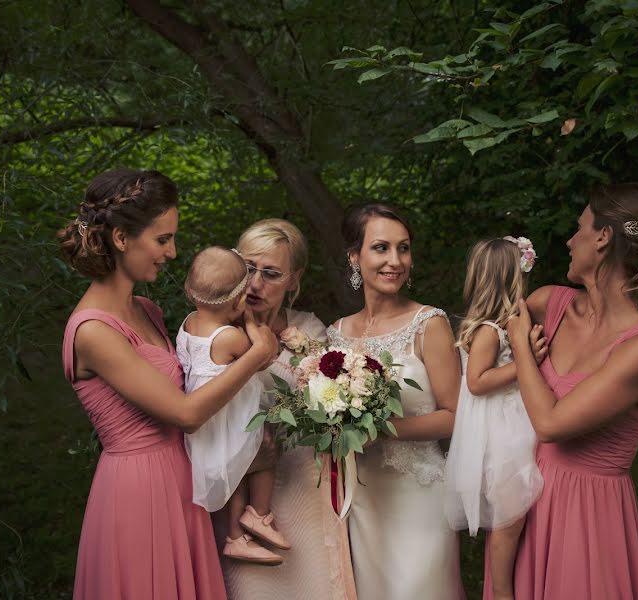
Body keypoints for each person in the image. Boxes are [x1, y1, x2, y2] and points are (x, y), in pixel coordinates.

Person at [58, 169, 276, 600]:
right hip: (138, 491)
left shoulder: (146, 309)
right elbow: (185, 412)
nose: (173, 253)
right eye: (162, 240)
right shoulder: (93, 331)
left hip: (181, 478)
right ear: (122, 239)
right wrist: (255, 357)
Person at [487, 183, 638, 600]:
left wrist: (522, 347)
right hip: (524, 505)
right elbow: (479, 349)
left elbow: (551, 423)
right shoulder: (548, 304)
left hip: (587, 518)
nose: (568, 240)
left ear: (603, 238)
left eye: (578, 228)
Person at [327, 204, 464, 599]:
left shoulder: (429, 323)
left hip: (417, 496)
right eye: (381, 248)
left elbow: (454, 416)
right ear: (355, 256)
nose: (395, 261)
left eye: (403, 249)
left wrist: (380, 431)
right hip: (363, 497)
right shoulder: (336, 334)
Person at [216, 218, 358, 600]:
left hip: (303, 485)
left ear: (294, 280)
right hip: (241, 493)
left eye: (271, 273)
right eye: (248, 268)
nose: (256, 283)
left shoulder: (309, 329)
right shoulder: (215, 331)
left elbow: (333, 407)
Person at [444, 237, 546, 600]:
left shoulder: (505, 326)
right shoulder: (489, 330)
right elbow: (476, 383)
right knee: (508, 523)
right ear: (512, 279)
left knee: (515, 522)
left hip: (514, 425)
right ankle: (501, 593)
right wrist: (524, 364)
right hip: (501, 437)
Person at [176, 247, 290, 566]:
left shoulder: (188, 324)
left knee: (237, 474)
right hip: (226, 419)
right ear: (239, 301)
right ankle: (259, 514)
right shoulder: (229, 338)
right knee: (264, 453)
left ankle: (236, 539)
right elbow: (263, 355)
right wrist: (253, 323)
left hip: (208, 431)